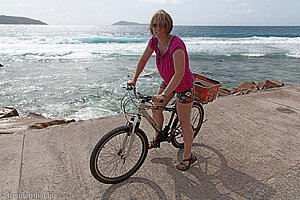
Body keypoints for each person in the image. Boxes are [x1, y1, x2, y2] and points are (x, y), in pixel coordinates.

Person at [127, 9, 196, 171]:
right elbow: (143, 59)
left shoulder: (176, 44)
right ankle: (158, 136)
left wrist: (164, 95)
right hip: (168, 81)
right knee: (156, 109)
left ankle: (188, 156)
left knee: (184, 122)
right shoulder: (154, 41)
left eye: (161, 25)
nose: (156, 28)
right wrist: (134, 79)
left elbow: (179, 74)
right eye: (154, 24)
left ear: (168, 27)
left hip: (184, 85)